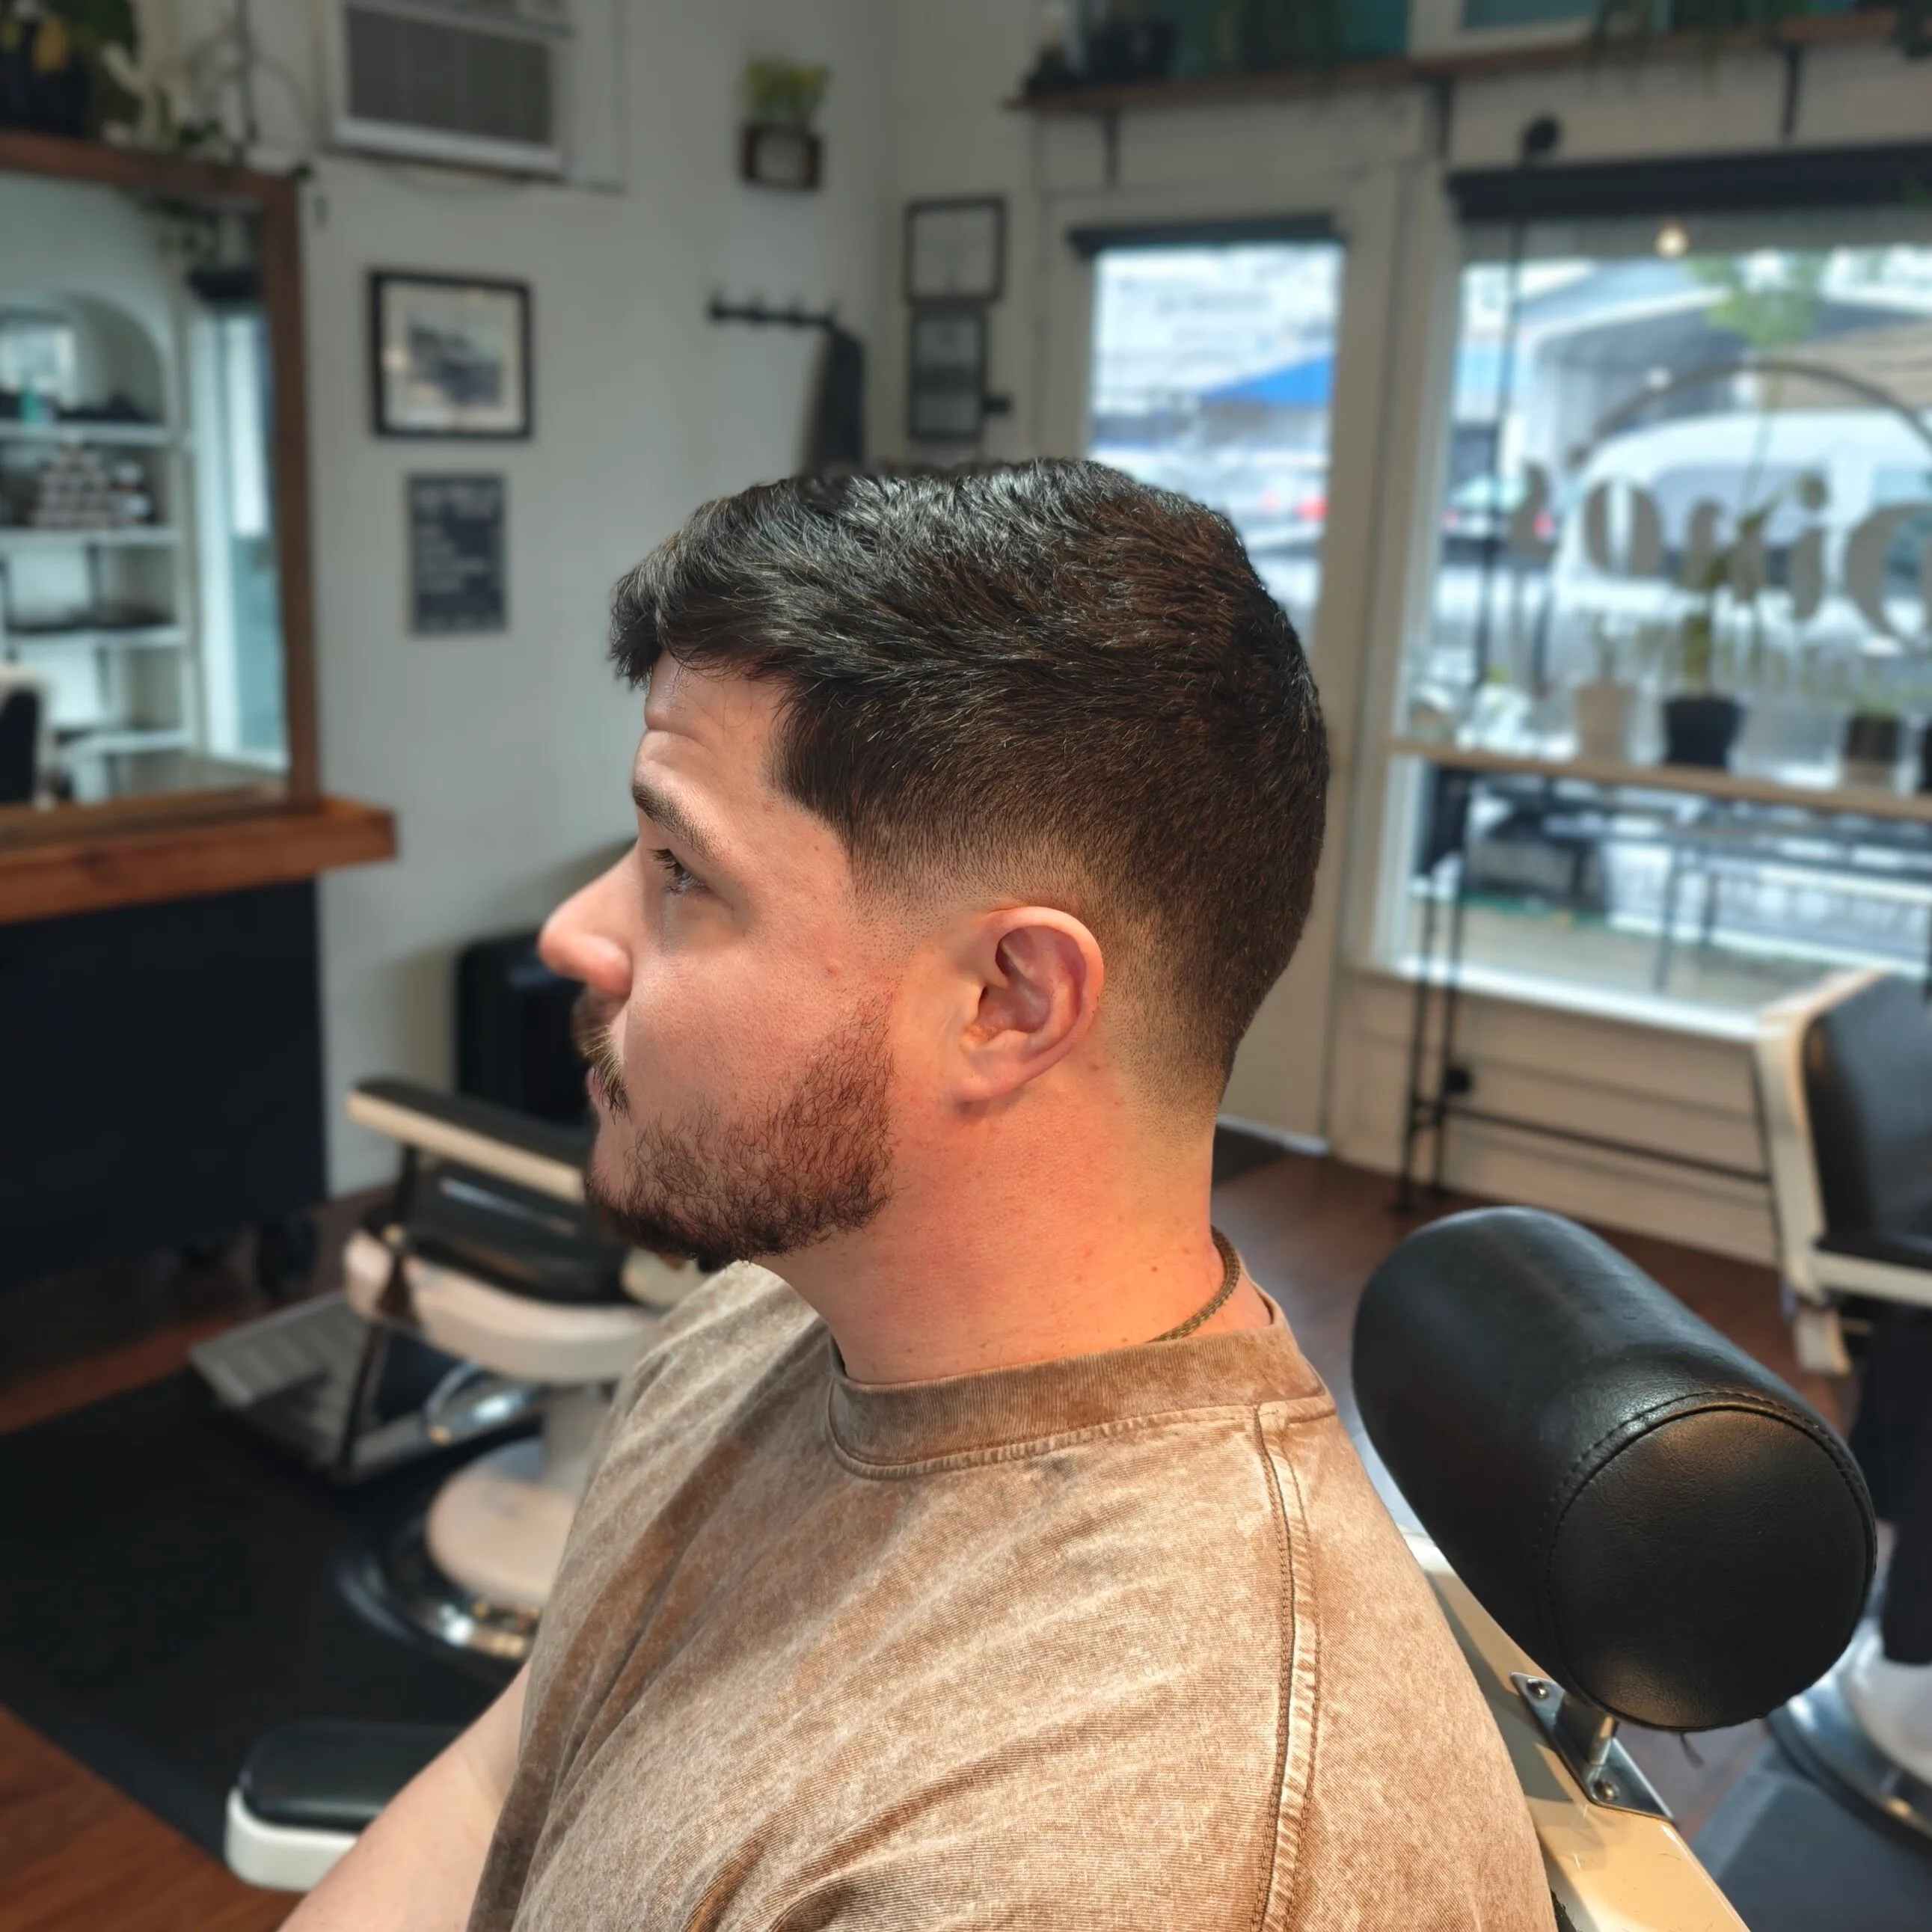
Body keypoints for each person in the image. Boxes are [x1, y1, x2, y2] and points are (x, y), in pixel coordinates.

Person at [289, 461, 1551, 1931]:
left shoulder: (1129, 1857)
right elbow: (500, 1794)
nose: (578, 932)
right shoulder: (765, 1313)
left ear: (1007, 1001)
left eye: (681, 870)